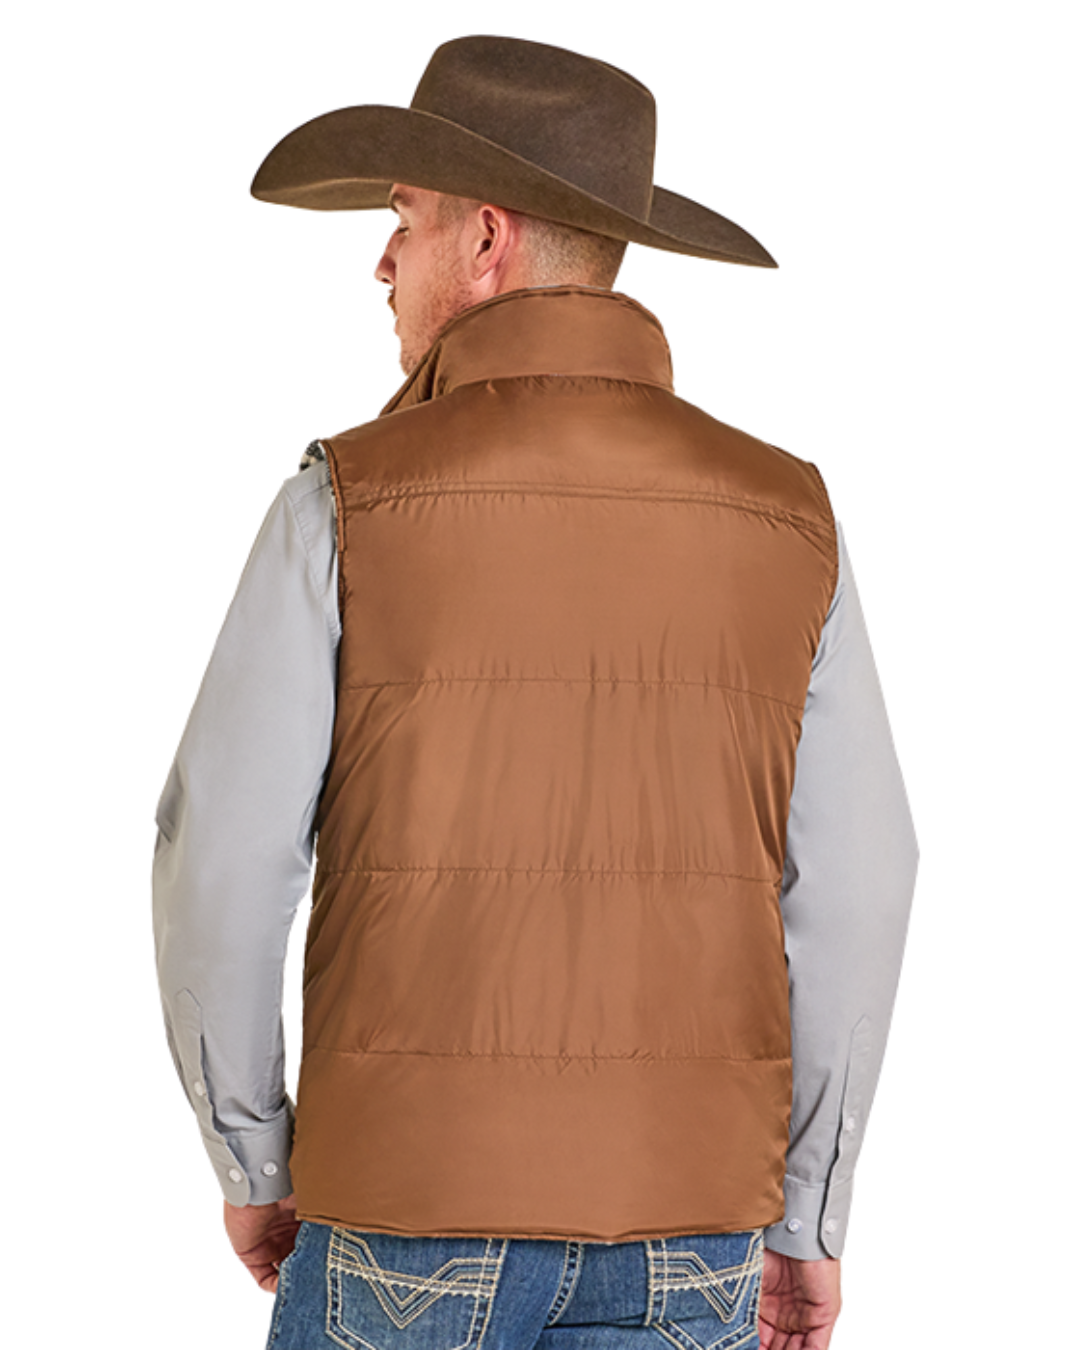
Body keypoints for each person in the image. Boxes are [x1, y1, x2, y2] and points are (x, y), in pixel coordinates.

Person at [153, 35, 917, 1350]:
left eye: (404, 220)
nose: (382, 261)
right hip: (692, 1235)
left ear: (486, 239)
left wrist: (251, 1153)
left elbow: (216, 855)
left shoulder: (345, 501)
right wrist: (807, 1213)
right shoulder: (792, 518)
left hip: (402, 1215)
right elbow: (861, 883)